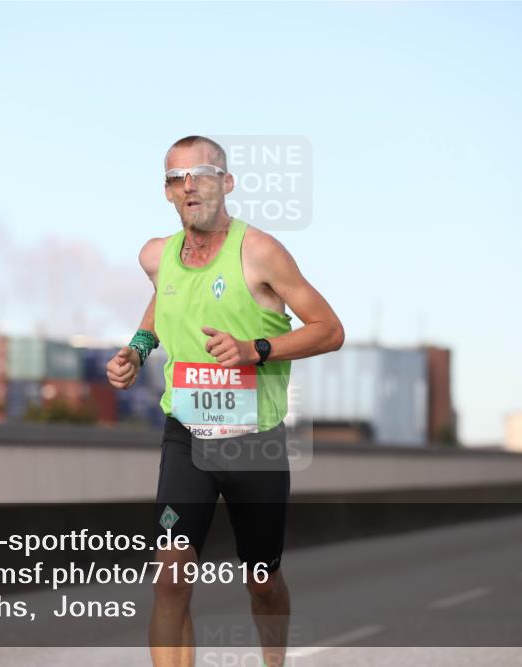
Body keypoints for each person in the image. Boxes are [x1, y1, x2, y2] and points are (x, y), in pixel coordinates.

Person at [106, 135, 344, 667]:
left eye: (201, 174)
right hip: (186, 437)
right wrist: (137, 350)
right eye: (176, 178)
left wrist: (255, 350)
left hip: (253, 443)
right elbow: (165, 296)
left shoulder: (259, 252)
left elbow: (329, 330)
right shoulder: (156, 255)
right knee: (170, 576)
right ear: (167, 192)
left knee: (262, 580)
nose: (188, 186)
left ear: (227, 183)